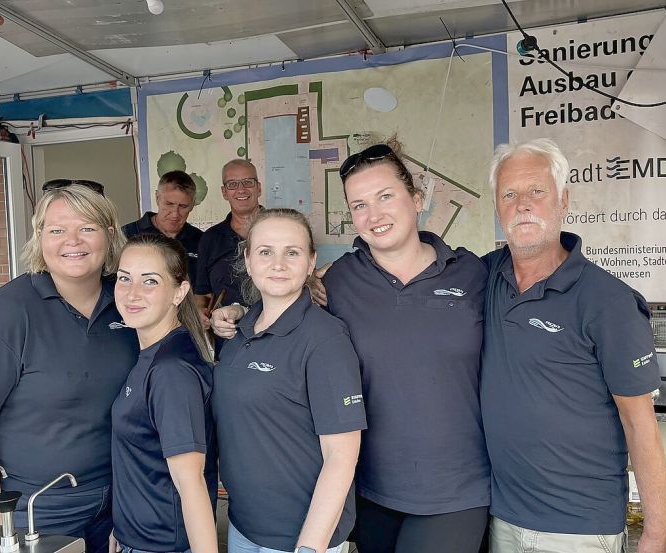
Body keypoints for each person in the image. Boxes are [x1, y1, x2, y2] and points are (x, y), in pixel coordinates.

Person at [215, 143, 491, 553]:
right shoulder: (339, 279)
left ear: (417, 199)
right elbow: (282, 296)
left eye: (385, 197)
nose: (374, 215)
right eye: (359, 205)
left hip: (455, 487)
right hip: (371, 488)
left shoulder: (473, 273)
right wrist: (237, 310)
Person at [480, 138, 666, 553]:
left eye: (537, 191)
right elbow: (418, 267)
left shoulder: (609, 302)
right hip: (502, 518)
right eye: (509, 194)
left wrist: (657, 532)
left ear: (563, 201)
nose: (522, 204)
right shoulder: (484, 277)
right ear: (497, 208)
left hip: (579, 529)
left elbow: (641, 425)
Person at [0, 184, 138, 553]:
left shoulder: (127, 303)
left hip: (119, 497)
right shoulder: (4, 315)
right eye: (56, 230)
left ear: (110, 235)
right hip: (37, 508)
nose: (73, 240)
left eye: (87, 228)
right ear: (39, 237)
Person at [214, 208, 365, 553]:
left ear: (311, 263)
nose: (278, 264)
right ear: (249, 261)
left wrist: (310, 547)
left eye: (292, 252)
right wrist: (235, 312)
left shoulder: (325, 339)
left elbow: (341, 456)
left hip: (300, 537)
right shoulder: (240, 331)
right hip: (243, 525)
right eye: (266, 252)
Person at [110, 234, 217, 553]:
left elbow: (191, 483)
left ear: (179, 292)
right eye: (124, 278)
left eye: (150, 282)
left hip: (160, 545)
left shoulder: (171, 372)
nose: (132, 293)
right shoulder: (153, 352)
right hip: (139, 537)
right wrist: (124, 524)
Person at [195, 159, 262, 318]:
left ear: (258, 188)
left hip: (278, 332)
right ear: (224, 192)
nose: (241, 190)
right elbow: (203, 295)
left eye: (248, 182)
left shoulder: (282, 229)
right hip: (227, 334)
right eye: (232, 184)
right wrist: (201, 312)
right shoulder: (210, 239)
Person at [123, 170, 203, 283]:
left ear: (192, 204)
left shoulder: (202, 240)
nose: (175, 214)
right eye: (169, 204)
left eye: (183, 206)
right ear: (157, 198)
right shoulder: (127, 235)